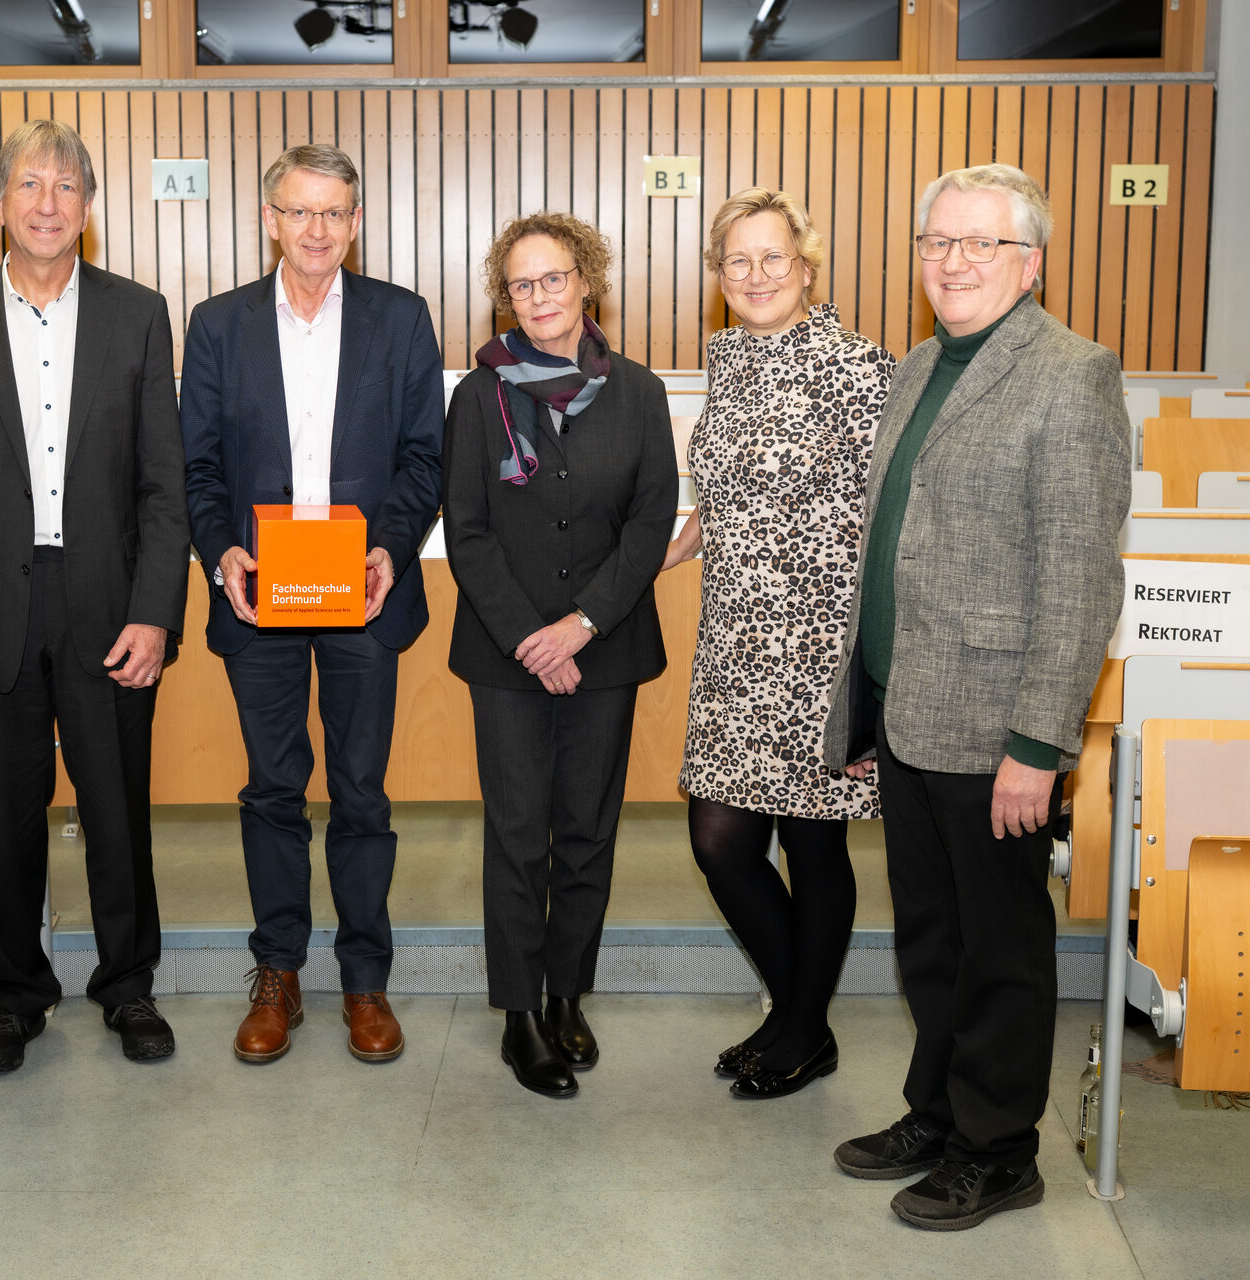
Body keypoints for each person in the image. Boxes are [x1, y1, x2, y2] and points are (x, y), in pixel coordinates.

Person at [821, 164, 1129, 1230]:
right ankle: (939, 1112)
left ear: (1028, 262)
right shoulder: (919, 365)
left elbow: (1081, 579)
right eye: (935, 242)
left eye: (978, 244)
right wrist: (870, 702)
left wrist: (1038, 745)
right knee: (932, 941)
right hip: (910, 706)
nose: (951, 262)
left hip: (998, 723)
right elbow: (896, 543)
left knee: (1000, 949)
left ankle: (998, 1151)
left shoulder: (1072, 375)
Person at [0, 119, 190, 1074]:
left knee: (118, 808)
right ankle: (15, 996)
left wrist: (154, 612)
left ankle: (129, 986)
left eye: (67, 187)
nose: (47, 204)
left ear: (88, 207)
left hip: (109, 603)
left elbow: (165, 484)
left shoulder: (138, 314)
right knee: (3, 817)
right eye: (30, 185)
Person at [181, 144, 443, 1065]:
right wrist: (222, 552)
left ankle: (365, 980)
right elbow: (197, 465)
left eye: (335, 212)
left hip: (362, 591)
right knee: (273, 788)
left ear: (356, 221)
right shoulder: (218, 325)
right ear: (270, 219)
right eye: (299, 211)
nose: (317, 229)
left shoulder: (400, 319)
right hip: (260, 593)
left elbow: (424, 457)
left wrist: (388, 549)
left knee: (361, 791)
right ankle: (279, 973)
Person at [662, 188, 892, 1100]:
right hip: (735, 643)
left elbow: (888, 523)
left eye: (772, 257)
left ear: (807, 265)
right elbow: (728, 500)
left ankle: (799, 1027)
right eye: (737, 261)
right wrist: (657, 552)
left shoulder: (859, 369)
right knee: (719, 840)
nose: (755, 275)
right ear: (718, 276)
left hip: (821, 651)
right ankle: (799, 1015)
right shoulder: (727, 361)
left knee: (812, 845)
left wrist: (876, 671)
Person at [444, 212, 678, 1098]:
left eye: (554, 278)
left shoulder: (639, 392)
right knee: (516, 835)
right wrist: (531, 639)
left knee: (586, 831)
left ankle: (567, 994)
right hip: (506, 654)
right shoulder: (478, 397)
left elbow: (650, 521)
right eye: (521, 284)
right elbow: (467, 532)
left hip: (606, 648)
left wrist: (582, 625)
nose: (539, 296)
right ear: (504, 297)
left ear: (587, 282)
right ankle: (519, 1015)